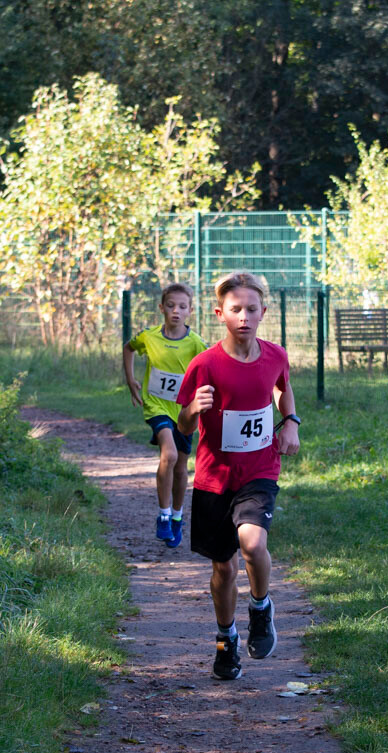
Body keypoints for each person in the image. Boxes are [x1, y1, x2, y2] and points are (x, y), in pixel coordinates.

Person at [176, 272, 301, 680]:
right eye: (235, 309)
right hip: (214, 478)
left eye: (251, 309)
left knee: (252, 543)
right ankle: (226, 639)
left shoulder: (276, 355)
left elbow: (281, 387)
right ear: (220, 314)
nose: (244, 316)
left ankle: (261, 608)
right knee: (224, 568)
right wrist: (193, 409)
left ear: (264, 312)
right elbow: (182, 426)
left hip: (259, 469)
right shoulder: (205, 364)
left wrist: (291, 422)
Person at [124, 283, 207, 548]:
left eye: (182, 307)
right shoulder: (149, 336)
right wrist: (130, 380)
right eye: (171, 306)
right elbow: (128, 348)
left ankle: (177, 517)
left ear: (190, 311)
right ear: (161, 308)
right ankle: (163, 514)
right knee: (168, 455)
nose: (176, 311)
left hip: (184, 411)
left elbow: (209, 368)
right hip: (156, 405)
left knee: (181, 468)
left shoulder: (196, 343)